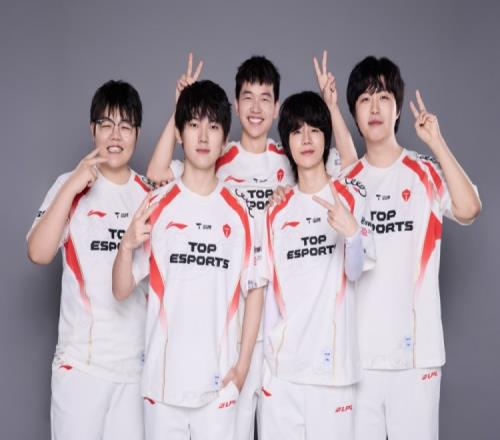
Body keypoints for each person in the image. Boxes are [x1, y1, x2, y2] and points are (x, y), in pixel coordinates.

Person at [146, 51, 357, 439]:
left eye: (265, 99)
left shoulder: (290, 154)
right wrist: (182, 107)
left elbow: (349, 169)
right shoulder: (217, 153)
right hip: (230, 319)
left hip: (279, 319)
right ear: (235, 103)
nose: (256, 108)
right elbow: (157, 173)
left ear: (277, 107)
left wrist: (331, 107)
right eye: (248, 97)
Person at [112, 80, 264, 440]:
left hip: (219, 385)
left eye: (214, 126)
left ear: (224, 141)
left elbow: (255, 289)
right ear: (179, 134)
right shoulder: (156, 205)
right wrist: (125, 246)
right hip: (162, 385)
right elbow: (120, 290)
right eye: (194, 124)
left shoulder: (241, 212)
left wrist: (242, 367)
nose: (203, 136)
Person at [342, 56, 481, 440]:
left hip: (417, 357)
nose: (374, 108)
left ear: (398, 109)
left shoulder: (425, 171)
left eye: (383, 97)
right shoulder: (345, 184)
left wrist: (436, 142)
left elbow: (469, 208)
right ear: (354, 114)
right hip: (359, 360)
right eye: (365, 99)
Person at [27, 80, 150, 440]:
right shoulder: (70, 185)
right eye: (106, 124)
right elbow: (38, 253)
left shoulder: (147, 195)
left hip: (134, 369)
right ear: (92, 129)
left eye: (125, 126)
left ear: (137, 133)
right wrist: (72, 186)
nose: (116, 135)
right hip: (81, 364)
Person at [257, 91, 374, 439]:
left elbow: (355, 272)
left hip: (333, 372)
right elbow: (267, 293)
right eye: (296, 131)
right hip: (282, 374)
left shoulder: (351, 196)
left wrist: (352, 234)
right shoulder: (276, 210)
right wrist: (266, 367)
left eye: (314, 130)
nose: (306, 139)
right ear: (287, 142)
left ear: (326, 136)